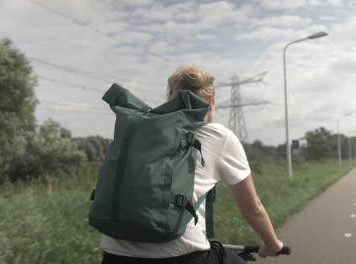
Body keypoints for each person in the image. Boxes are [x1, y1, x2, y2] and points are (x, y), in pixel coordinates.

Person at [101, 65, 284, 264]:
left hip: (115, 254)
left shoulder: (141, 131)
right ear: (211, 102)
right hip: (183, 255)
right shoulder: (219, 136)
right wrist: (272, 243)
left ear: (171, 99)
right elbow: (253, 208)